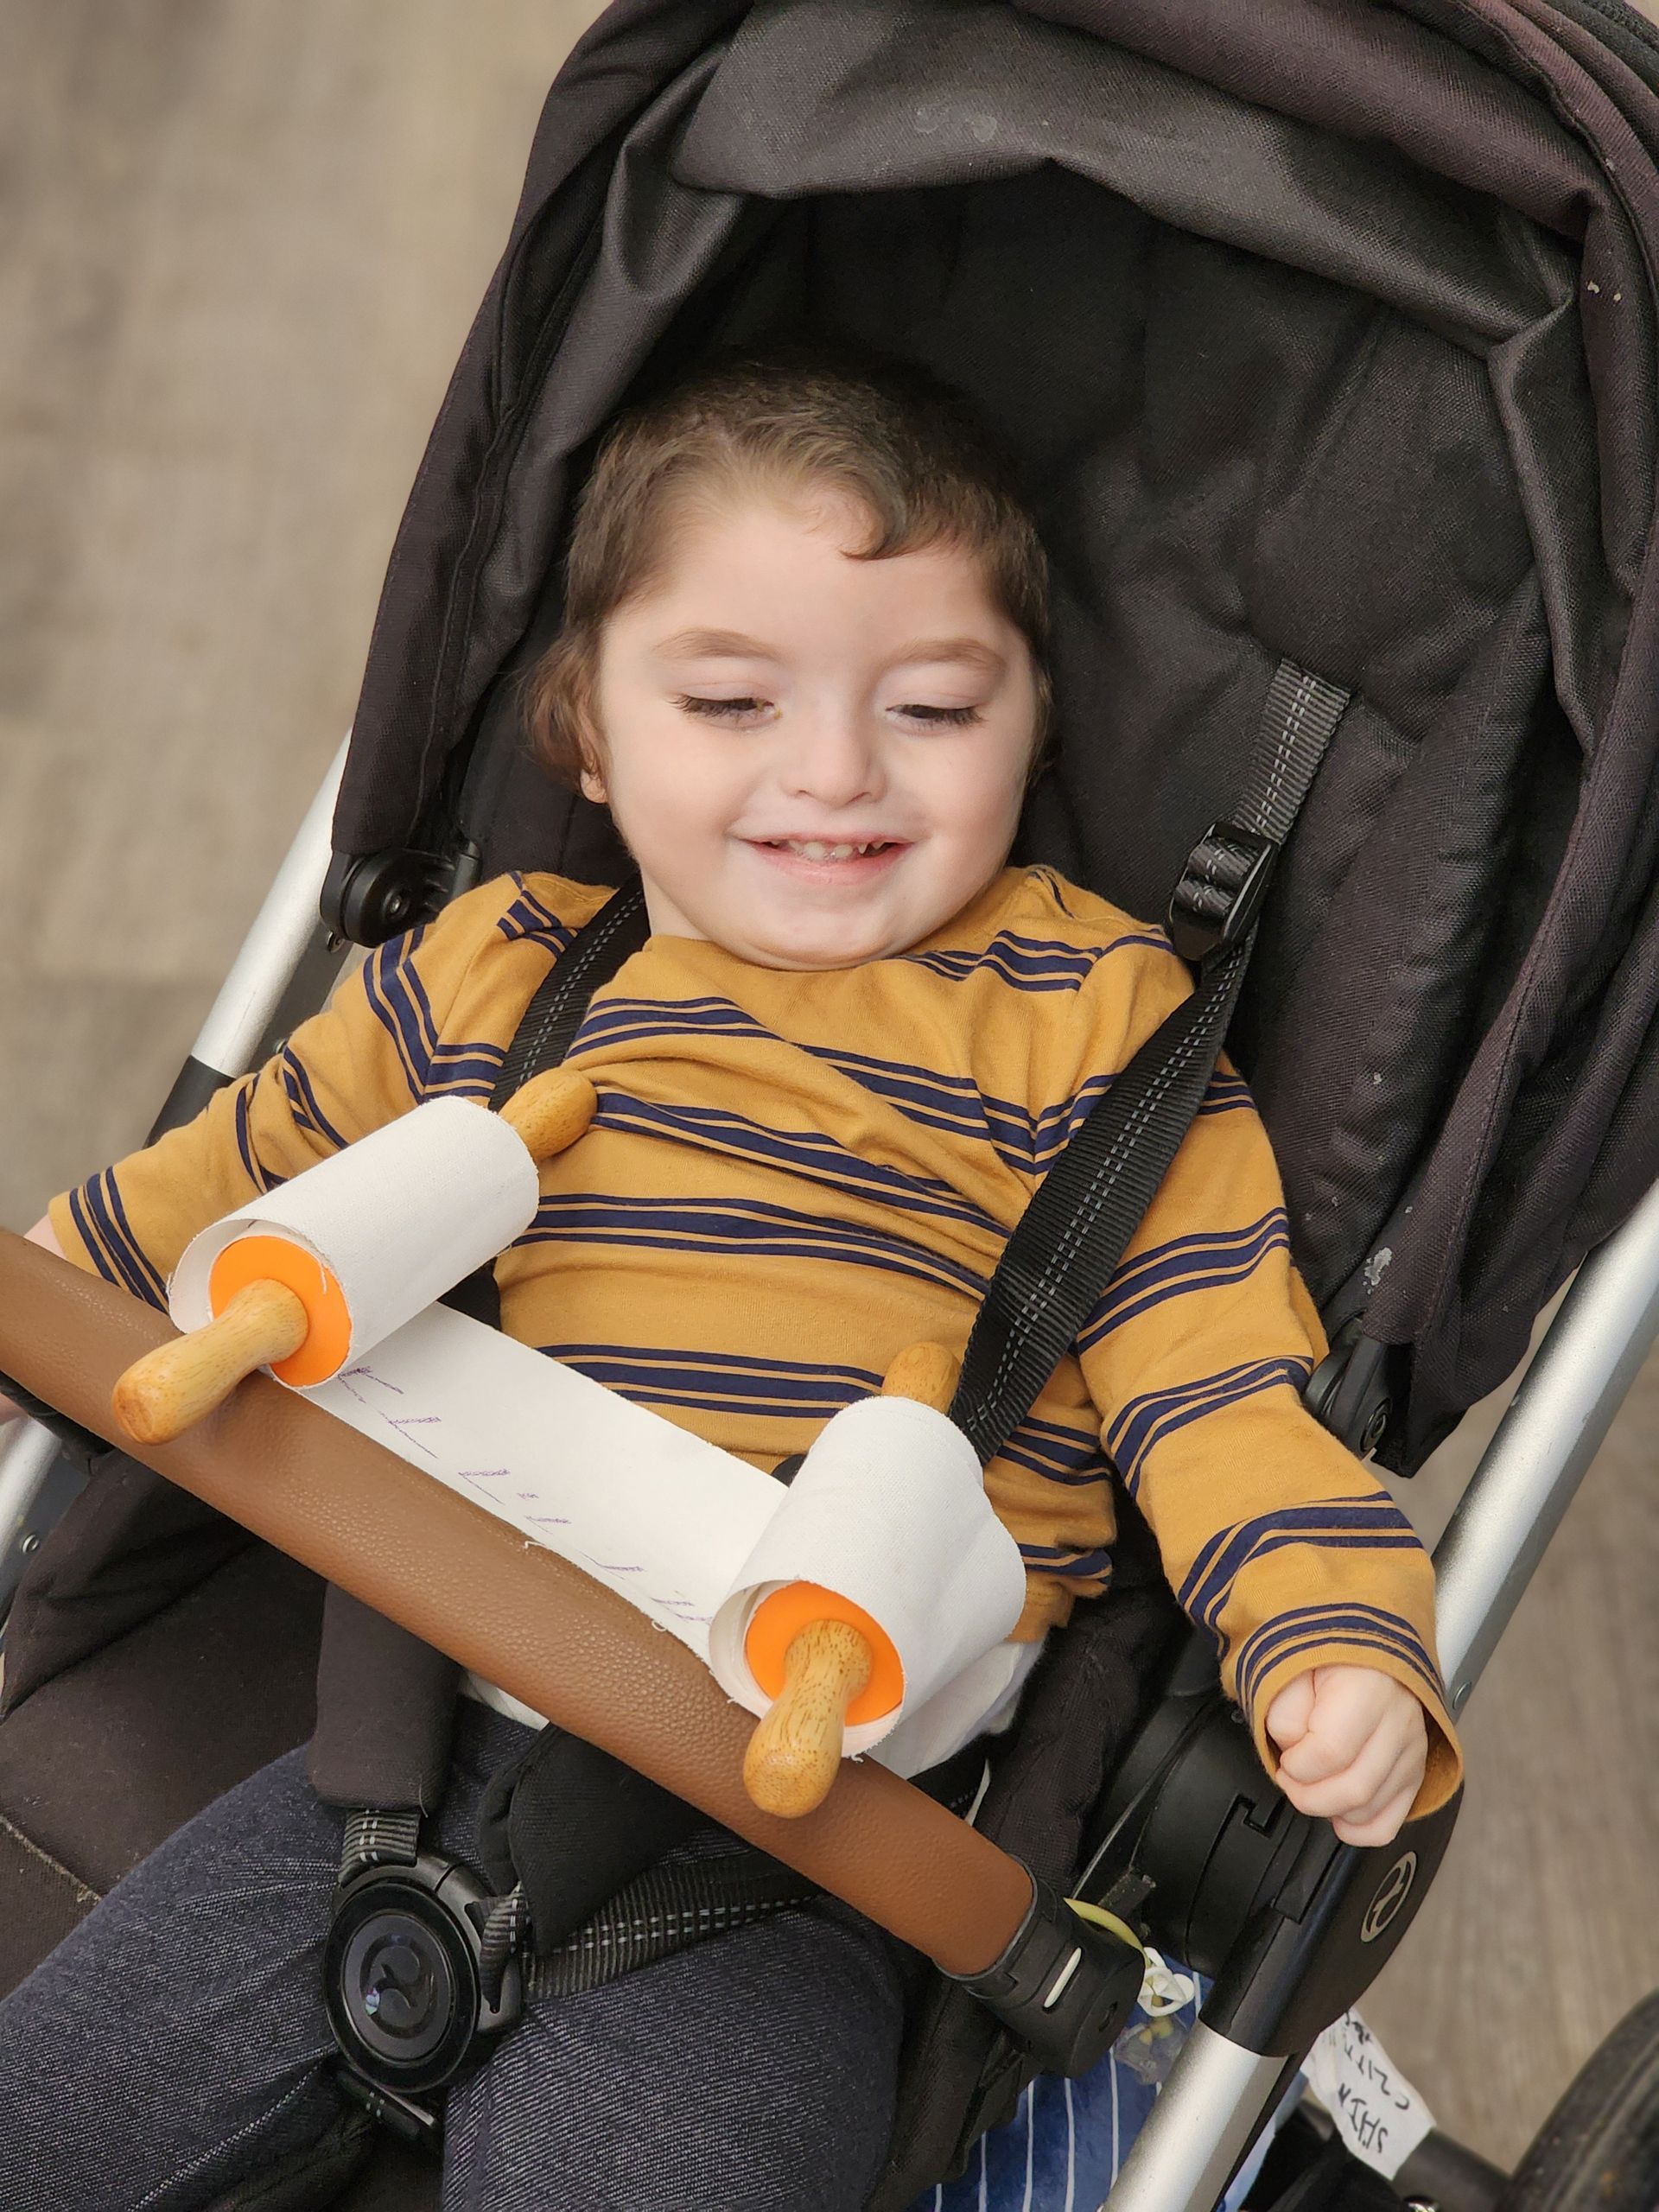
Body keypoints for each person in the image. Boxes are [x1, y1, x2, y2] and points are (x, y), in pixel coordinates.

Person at [0, 353, 1461, 2212]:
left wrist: (1328, 1630)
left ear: (1033, 724)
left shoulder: (1094, 1027)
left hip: (802, 1859)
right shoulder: (500, 967)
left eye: (931, 706)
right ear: (590, 736)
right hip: (384, 1743)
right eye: (728, 698)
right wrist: (48, 1299)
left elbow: (1218, 1386)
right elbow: (224, 1177)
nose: (835, 768)